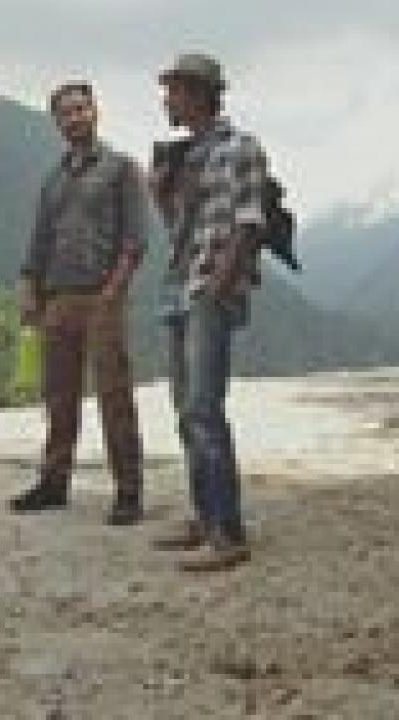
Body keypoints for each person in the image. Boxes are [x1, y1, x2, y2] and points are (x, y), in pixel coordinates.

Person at [10, 82, 148, 526]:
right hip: (56, 298)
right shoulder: (53, 180)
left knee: (114, 395)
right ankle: (54, 482)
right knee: (58, 396)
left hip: (101, 296)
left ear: (95, 111)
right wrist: (29, 286)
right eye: (65, 113)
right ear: (56, 122)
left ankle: (128, 490)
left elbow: (134, 240)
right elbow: (39, 241)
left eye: (80, 109)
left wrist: (113, 292)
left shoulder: (121, 168)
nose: (74, 118)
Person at [151, 53, 267, 571]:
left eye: (174, 91)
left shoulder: (241, 148)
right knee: (186, 410)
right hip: (179, 288)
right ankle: (204, 516)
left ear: (200, 93)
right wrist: (160, 194)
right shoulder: (184, 156)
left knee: (203, 408)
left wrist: (217, 288)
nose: (167, 101)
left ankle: (227, 533)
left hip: (206, 291)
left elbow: (250, 223)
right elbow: (179, 230)